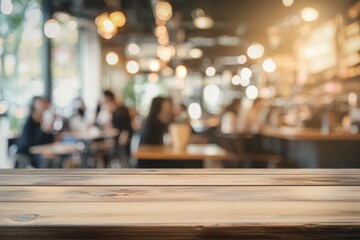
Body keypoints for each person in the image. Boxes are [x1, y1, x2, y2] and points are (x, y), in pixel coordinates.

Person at [16, 96, 55, 168]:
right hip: (27, 154)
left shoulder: (42, 122)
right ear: (34, 107)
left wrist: (49, 129)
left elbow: (50, 141)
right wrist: (42, 130)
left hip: (39, 152)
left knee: (55, 160)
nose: (43, 106)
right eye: (40, 104)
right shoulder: (29, 123)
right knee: (47, 160)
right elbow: (31, 143)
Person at [101, 90, 134, 164]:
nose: (101, 100)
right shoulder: (110, 111)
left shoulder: (122, 110)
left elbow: (126, 128)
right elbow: (111, 126)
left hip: (122, 140)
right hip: (114, 139)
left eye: (102, 97)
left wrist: (123, 137)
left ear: (108, 98)